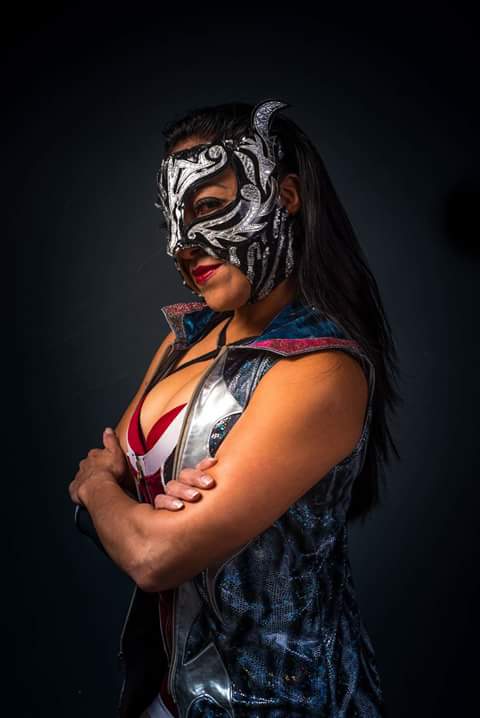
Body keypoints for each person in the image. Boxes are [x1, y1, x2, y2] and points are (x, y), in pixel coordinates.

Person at [69, 99, 401, 717]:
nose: (182, 245)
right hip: (165, 700)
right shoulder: (185, 338)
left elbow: (151, 554)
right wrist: (131, 508)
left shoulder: (320, 371)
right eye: (172, 220)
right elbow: (124, 512)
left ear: (287, 196)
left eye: (207, 208)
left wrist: (100, 491)